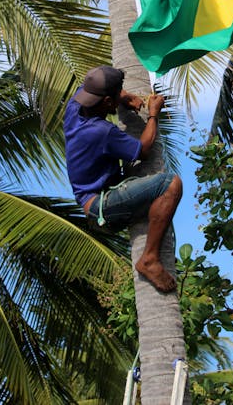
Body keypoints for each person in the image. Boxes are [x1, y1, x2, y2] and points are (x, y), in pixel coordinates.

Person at [64, 65, 182, 293]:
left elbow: (101, 92)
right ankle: (149, 259)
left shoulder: (74, 108)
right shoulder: (101, 131)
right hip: (102, 208)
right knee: (170, 185)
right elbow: (144, 148)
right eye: (116, 97)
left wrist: (126, 97)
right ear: (108, 102)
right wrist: (153, 113)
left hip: (91, 202)